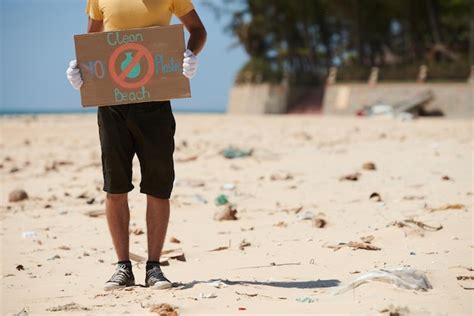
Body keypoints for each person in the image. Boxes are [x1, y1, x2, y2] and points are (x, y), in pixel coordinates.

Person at [66, 0, 206, 291]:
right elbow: (92, 43)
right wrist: (81, 72)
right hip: (112, 105)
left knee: (158, 185)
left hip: (155, 101)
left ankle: (154, 268)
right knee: (115, 186)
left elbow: (197, 30)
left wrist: (190, 55)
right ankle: (123, 267)